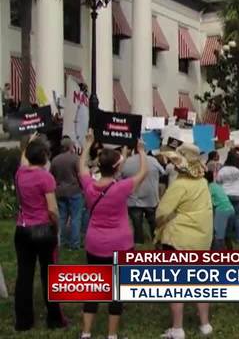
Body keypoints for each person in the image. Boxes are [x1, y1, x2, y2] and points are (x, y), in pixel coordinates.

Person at [78, 130, 147, 339]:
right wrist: (141, 151)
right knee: (116, 293)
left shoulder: (89, 185)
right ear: (117, 168)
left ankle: (86, 333)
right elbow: (143, 172)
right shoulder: (122, 187)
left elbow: (81, 166)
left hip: (94, 243)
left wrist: (88, 144)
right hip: (120, 244)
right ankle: (112, 335)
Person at [155, 143, 214, 339]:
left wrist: (159, 226)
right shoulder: (203, 183)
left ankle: (178, 328)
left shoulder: (179, 185)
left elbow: (161, 212)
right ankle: (205, 324)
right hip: (202, 240)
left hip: (178, 240)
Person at [14, 134, 66, 331]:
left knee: (24, 276)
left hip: (23, 229)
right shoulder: (46, 177)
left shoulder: (20, 174)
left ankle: (23, 321)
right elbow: (52, 209)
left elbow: (23, 159)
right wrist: (57, 226)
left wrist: (28, 143)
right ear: (45, 156)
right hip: (43, 229)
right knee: (50, 275)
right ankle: (54, 319)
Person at [121, 147, 166, 245]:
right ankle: (156, 241)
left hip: (133, 198)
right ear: (144, 150)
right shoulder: (152, 160)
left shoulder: (128, 161)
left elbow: (121, 175)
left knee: (137, 224)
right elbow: (163, 172)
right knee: (153, 221)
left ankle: (139, 242)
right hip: (151, 198)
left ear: (134, 150)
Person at [49, 137, 83, 250]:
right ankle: (74, 244)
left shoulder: (55, 160)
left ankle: (61, 242)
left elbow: (51, 176)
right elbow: (80, 175)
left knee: (62, 218)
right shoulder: (75, 159)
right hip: (74, 191)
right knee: (75, 218)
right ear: (70, 146)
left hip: (59, 191)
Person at [217, 150, 239, 245]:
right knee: (238, 218)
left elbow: (218, 181)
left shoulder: (222, 170)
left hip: (225, 195)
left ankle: (223, 238)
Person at [206, 171, 235, 250]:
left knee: (218, 236)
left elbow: (208, 204)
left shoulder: (208, 188)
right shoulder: (217, 186)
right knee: (226, 234)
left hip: (222, 210)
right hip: (231, 209)